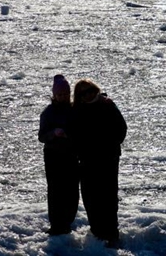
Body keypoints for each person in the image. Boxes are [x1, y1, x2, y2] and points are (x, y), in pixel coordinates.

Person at [71, 79, 127, 247]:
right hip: (87, 160)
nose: (88, 94)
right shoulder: (77, 109)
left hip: (108, 159)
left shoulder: (107, 104)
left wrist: (109, 146)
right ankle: (97, 232)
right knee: (90, 197)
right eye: (83, 93)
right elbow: (74, 133)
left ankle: (111, 233)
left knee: (108, 197)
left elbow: (121, 129)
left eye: (90, 90)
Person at [38, 74, 79, 236]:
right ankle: (56, 224)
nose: (62, 97)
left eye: (65, 94)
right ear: (54, 95)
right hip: (53, 155)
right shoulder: (48, 113)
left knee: (71, 190)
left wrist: (70, 135)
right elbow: (42, 136)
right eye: (59, 94)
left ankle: (67, 221)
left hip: (71, 155)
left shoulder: (74, 110)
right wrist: (54, 133)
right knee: (56, 190)